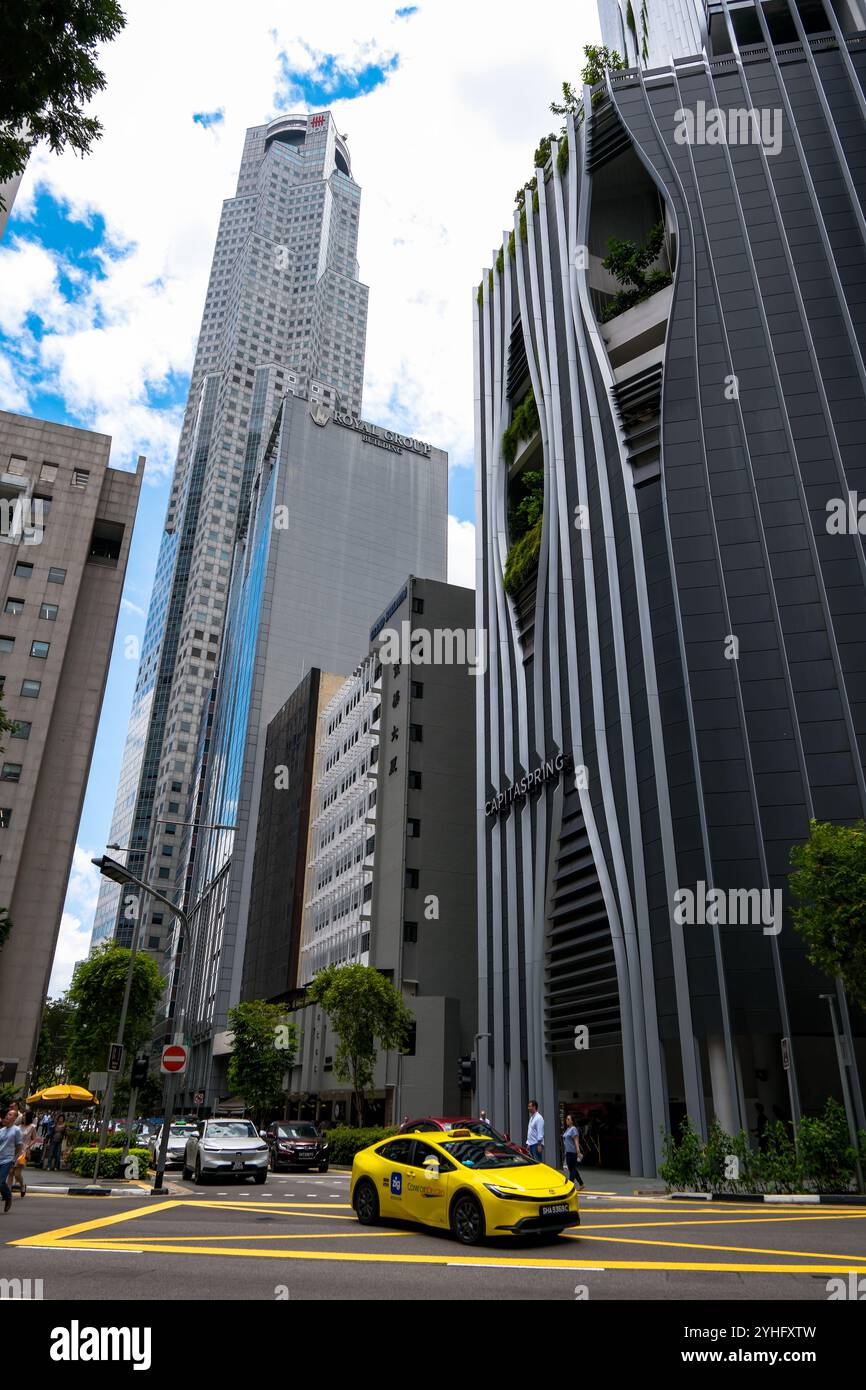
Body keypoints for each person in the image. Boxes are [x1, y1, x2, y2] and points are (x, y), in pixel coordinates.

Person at [0, 1104, 23, 1213]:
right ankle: (6, 1194)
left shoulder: (16, 1130)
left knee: (0, 1182)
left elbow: (19, 1146)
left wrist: (15, 1159)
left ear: (14, 1118)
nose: (8, 1116)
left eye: (10, 1115)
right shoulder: (2, 1130)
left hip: (8, 1159)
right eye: (7, 1114)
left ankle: (8, 1197)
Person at [11, 1109, 36, 1198]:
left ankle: (22, 1186)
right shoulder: (18, 1126)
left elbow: (34, 1138)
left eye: (25, 1116)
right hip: (14, 1149)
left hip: (24, 1151)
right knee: (11, 1172)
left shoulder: (32, 1127)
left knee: (17, 1173)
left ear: (29, 1117)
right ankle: (7, 1193)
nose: (23, 1117)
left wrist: (29, 1146)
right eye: (23, 1115)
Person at [561, 1113, 585, 1189]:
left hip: (573, 1152)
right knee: (572, 1168)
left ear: (572, 1121)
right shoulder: (568, 1129)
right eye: (566, 1119)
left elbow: (576, 1140)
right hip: (568, 1152)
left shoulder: (573, 1129)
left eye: (568, 1119)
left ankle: (570, 1185)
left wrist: (578, 1151)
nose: (566, 1120)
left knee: (572, 1169)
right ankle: (581, 1184)